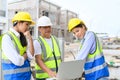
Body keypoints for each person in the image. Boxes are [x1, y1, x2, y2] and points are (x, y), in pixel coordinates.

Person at [1, 11, 35, 80]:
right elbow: (18, 61)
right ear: (19, 23)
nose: (28, 28)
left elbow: (31, 56)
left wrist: (30, 38)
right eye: (27, 24)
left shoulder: (21, 38)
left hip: (26, 77)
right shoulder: (7, 38)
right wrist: (25, 55)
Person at [34, 16, 62, 80]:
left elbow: (59, 58)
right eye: (45, 27)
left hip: (56, 76)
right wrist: (49, 72)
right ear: (39, 28)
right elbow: (38, 60)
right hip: (43, 77)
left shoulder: (55, 39)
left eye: (49, 26)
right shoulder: (37, 42)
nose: (48, 29)